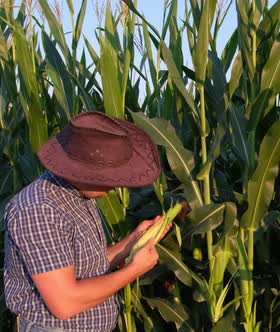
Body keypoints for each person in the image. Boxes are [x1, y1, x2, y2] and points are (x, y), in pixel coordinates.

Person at [3, 111, 168, 331]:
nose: (117, 184)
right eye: (110, 177)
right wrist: (134, 270)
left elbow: (87, 266)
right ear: (82, 173)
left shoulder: (80, 195)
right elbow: (65, 303)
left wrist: (131, 244)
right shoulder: (39, 209)